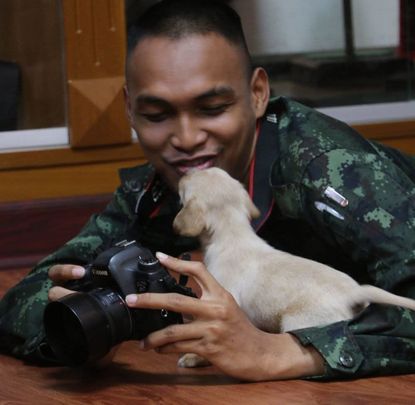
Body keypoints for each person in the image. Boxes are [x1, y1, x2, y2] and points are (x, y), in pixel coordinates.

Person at [1, 0, 415, 381]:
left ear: (257, 94)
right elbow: (23, 298)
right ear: (129, 109)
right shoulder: (161, 192)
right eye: (156, 114)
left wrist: (289, 352)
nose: (186, 139)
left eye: (212, 108)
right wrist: (83, 329)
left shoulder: (331, 169)